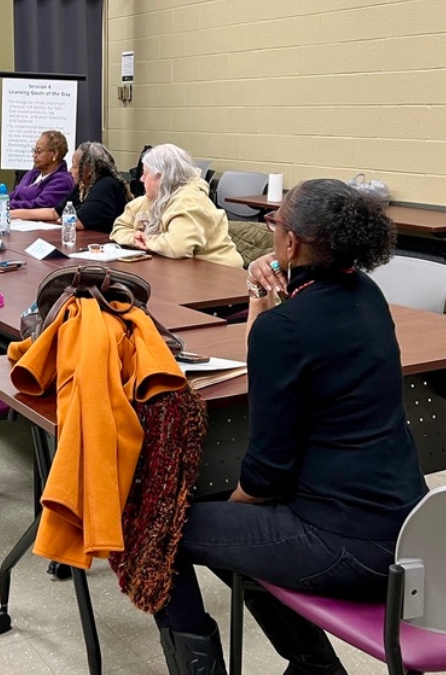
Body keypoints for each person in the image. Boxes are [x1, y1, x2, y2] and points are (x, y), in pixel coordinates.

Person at [150, 178, 426, 675]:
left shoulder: (288, 327)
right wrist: (261, 295)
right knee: (237, 532)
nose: (270, 228)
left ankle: (296, 667)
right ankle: (313, 666)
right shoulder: (368, 295)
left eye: (274, 222)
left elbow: (266, 475)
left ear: (291, 241)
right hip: (407, 533)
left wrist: (236, 511)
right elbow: (276, 347)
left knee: (158, 529)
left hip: (346, 546)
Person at [109, 144, 242, 268]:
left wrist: (147, 240)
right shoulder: (150, 199)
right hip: (182, 269)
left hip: (218, 271)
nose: (141, 179)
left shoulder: (189, 201)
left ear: (161, 177)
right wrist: (134, 238)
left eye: (145, 173)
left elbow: (177, 247)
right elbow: (119, 228)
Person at [0, 131, 75, 218]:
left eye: (39, 151)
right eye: (34, 151)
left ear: (55, 154)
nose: (34, 155)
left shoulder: (63, 181)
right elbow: (13, 195)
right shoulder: (33, 174)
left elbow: (37, 205)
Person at [52, 141, 132, 233]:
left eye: (74, 166)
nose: (70, 170)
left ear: (89, 169)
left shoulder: (105, 185)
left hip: (105, 240)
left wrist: (63, 219)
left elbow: (78, 222)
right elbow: (55, 213)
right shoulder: (82, 186)